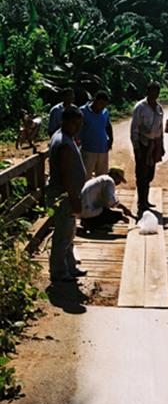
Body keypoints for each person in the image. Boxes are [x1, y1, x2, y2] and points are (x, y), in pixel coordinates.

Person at [46, 106, 87, 283]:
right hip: (63, 195)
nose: (76, 127)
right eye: (73, 124)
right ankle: (59, 271)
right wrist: (74, 198)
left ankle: (70, 267)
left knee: (69, 234)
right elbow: (67, 175)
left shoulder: (66, 137)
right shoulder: (63, 143)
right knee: (63, 235)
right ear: (63, 122)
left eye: (79, 124)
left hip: (67, 193)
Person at [130, 82, 165, 216]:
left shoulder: (159, 108)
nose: (155, 94)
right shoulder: (140, 107)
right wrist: (136, 148)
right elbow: (134, 129)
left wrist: (161, 146)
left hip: (154, 145)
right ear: (147, 92)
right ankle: (141, 202)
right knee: (141, 174)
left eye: (157, 92)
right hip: (143, 144)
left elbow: (160, 129)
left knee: (150, 174)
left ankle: (146, 199)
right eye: (152, 91)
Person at [80, 166, 133, 232]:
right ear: (114, 175)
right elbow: (110, 201)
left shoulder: (102, 179)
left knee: (107, 210)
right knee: (116, 216)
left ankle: (88, 222)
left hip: (82, 211)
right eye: (119, 179)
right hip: (88, 212)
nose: (119, 182)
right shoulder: (109, 181)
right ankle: (92, 223)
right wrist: (123, 210)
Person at [80, 90, 113, 179]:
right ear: (95, 101)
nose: (102, 107)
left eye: (105, 105)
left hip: (103, 149)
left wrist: (110, 141)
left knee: (102, 177)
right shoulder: (83, 111)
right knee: (86, 176)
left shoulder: (105, 112)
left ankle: (99, 193)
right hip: (88, 149)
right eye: (101, 104)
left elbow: (108, 126)